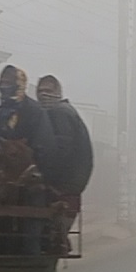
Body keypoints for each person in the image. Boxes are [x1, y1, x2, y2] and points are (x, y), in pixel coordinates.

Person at [0, 65, 54, 254]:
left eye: (8, 82)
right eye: (2, 82)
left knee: (30, 227)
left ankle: (30, 265)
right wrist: (2, 151)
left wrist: (21, 154)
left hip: (30, 178)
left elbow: (44, 146)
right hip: (2, 177)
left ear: (19, 83)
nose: (3, 86)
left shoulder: (35, 111)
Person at [35, 75, 93, 253]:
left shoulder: (60, 113)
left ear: (58, 93)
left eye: (48, 91)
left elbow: (61, 152)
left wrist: (42, 177)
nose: (44, 95)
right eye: (40, 91)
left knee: (46, 238)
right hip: (70, 188)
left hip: (63, 189)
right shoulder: (59, 113)